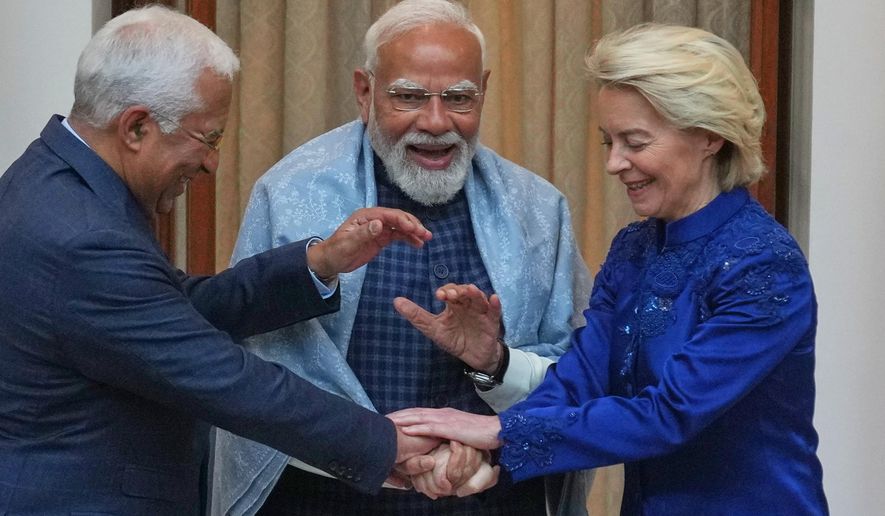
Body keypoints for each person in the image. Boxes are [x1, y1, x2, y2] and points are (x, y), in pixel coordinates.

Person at [0, 6, 444, 515]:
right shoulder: (83, 239)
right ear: (137, 127)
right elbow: (224, 379)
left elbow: (168, 310)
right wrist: (384, 443)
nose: (212, 162)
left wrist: (319, 263)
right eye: (207, 138)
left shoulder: (51, 179)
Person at [391, 23, 829, 515]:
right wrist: (487, 452)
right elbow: (581, 378)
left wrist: (498, 432)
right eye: (608, 143)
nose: (615, 163)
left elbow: (671, 414)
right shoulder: (635, 248)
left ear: (708, 136)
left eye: (636, 143)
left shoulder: (763, 262)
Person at [210, 0, 592, 514]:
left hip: (491, 498)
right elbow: (255, 370)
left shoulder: (537, 210)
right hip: (325, 498)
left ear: (485, 91)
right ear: (365, 92)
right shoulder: (291, 194)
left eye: (459, 98)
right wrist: (385, 455)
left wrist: (494, 370)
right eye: (408, 96)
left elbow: (576, 375)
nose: (435, 122)